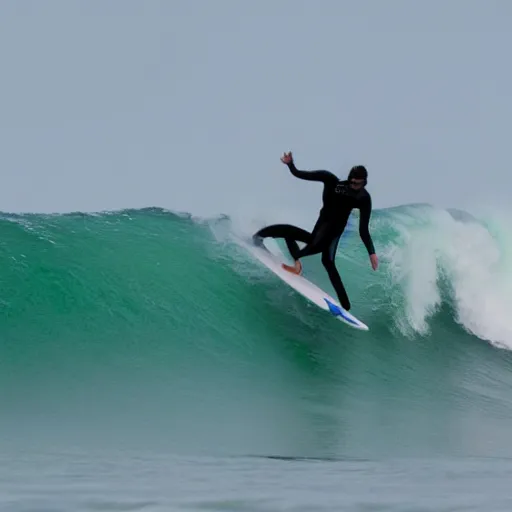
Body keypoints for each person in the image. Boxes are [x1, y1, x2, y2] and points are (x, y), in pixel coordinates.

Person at [252, 151, 378, 311]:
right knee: (309, 243)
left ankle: (346, 307)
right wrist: (291, 164)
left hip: (336, 231)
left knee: (328, 261)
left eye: (357, 184)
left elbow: (363, 229)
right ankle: (279, 250)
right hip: (323, 224)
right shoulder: (332, 181)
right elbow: (300, 174)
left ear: (364, 183)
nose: (354, 186)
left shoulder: (363, 198)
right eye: (351, 182)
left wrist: (371, 252)